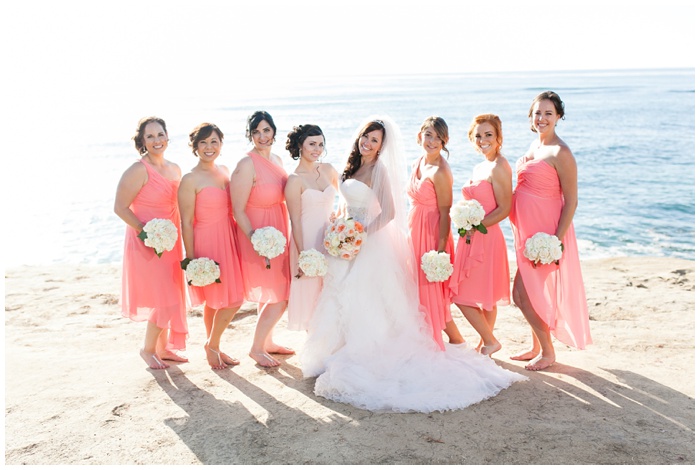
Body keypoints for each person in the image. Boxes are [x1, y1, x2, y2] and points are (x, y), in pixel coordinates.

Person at [300, 116, 526, 413]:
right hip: (347, 235)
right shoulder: (354, 164)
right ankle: (334, 349)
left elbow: (389, 211)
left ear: (382, 147)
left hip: (368, 240)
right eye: (365, 137)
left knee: (369, 297)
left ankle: (381, 348)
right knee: (339, 292)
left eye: (375, 140)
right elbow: (350, 199)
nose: (367, 143)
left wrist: (359, 235)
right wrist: (340, 223)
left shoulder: (381, 169)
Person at [509, 91, 592, 371]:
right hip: (526, 233)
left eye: (548, 113)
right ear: (531, 117)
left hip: (544, 237)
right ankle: (536, 346)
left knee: (521, 295)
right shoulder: (535, 145)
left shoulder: (561, 152)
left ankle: (547, 352)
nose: (541, 118)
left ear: (558, 117)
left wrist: (555, 241)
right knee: (532, 293)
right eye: (537, 113)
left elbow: (572, 200)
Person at [114, 116, 188, 370]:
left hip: (171, 242)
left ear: (167, 137)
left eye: (160, 134)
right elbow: (120, 207)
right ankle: (147, 350)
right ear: (142, 141)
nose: (157, 140)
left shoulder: (175, 168)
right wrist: (147, 233)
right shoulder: (137, 169)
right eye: (150, 136)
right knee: (165, 297)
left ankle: (163, 348)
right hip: (147, 243)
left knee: (171, 293)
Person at [178, 123, 245, 369]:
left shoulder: (225, 171)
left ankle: (213, 344)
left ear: (221, 144)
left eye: (214, 142)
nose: (209, 147)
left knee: (218, 300)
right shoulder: (190, 179)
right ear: (195, 146)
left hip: (228, 237)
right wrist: (192, 258)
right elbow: (185, 221)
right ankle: (212, 345)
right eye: (204, 142)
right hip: (206, 240)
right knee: (231, 299)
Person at [230, 111, 293, 368]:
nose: (262, 136)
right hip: (258, 233)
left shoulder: (277, 158)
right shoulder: (247, 164)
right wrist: (256, 239)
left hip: (277, 228)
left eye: (266, 130)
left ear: (274, 132)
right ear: (250, 135)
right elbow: (238, 209)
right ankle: (256, 348)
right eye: (256, 132)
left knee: (272, 290)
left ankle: (268, 342)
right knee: (282, 294)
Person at [449, 114, 512, 357]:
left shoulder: (499, 166)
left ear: (498, 138)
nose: (483, 139)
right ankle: (487, 343)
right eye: (478, 135)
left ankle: (490, 340)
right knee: (486, 297)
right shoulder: (480, 166)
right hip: (472, 235)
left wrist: (476, 226)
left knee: (461, 295)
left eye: (488, 135)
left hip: (486, 237)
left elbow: (505, 208)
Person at [407, 116, 464, 349]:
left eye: (438, 138)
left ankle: (439, 341)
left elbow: (445, 212)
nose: (432, 141)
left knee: (429, 290)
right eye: (428, 135)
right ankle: (451, 338)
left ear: (444, 142)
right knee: (417, 287)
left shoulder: (441, 171)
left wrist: (440, 251)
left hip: (432, 233)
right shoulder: (418, 161)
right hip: (414, 228)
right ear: (420, 135)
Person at [283, 124, 338, 331]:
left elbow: (347, 197)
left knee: (330, 291)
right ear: (300, 146)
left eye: (321, 144)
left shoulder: (328, 169)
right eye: (312, 144)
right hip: (307, 241)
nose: (317, 149)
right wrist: (303, 254)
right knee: (310, 293)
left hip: (330, 239)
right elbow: (295, 221)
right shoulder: (294, 181)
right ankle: (315, 344)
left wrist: (340, 221)